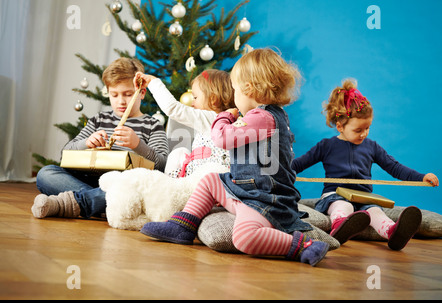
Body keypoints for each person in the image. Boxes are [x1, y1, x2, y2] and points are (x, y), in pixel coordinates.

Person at [140, 48, 330, 267]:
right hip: (244, 190)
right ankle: (183, 226)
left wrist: (223, 117)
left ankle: (303, 246)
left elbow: (221, 139)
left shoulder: (263, 118)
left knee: (244, 238)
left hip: (263, 199)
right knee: (211, 180)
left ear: (248, 89)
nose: (234, 97)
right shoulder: (268, 116)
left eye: (236, 91)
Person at [292, 78, 439, 250]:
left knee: (375, 212)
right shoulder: (326, 146)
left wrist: (421, 177)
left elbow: (395, 167)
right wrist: (281, 172)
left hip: (364, 198)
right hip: (334, 196)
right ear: (340, 126)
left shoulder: (372, 147)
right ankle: (340, 226)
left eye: (367, 128)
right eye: (358, 130)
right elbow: (299, 164)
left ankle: (392, 232)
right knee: (343, 205)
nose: (364, 134)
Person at [31, 57, 169, 219]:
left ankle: (79, 204)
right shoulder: (99, 120)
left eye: (128, 94)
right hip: (93, 182)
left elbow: (162, 165)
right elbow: (65, 154)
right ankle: (102, 203)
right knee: (46, 174)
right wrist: (86, 143)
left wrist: (137, 145)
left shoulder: (152, 125)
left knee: (136, 189)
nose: (121, 101)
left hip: (125, 183)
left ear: (142, 92)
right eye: (114, 95)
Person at [133, 69, 233, 178]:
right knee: (181, 152)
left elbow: (173, 108)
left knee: (178, 153)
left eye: (195, 97)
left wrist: (152, 81)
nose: (192, 103)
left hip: (203, 180)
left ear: (213, 99)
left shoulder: (213, 119)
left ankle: (171, 186)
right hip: (208, 177)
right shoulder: (225, 120)